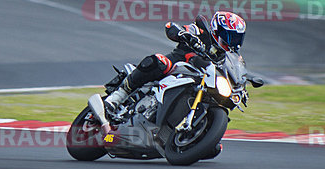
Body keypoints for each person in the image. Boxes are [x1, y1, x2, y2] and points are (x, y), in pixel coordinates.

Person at [103, 11, 247, 114]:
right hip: (177, 66)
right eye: (230, 36)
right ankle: (119, 96)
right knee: (159, 61)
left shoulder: (227, 57)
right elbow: (171, 26)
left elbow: (233, 71)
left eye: (236, 38)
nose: (232, 42)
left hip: (201, 81)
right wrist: (184, 34)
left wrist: (241, 86)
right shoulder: (201, 31)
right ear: (217, 30)